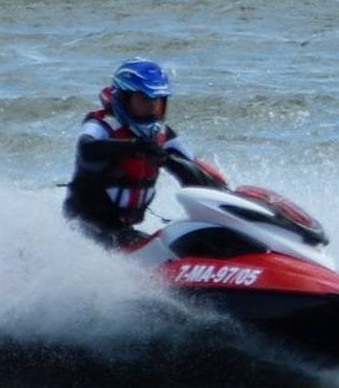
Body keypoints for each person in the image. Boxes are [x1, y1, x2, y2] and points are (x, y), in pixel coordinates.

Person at [63, 58, 229, 248]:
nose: (151, 107)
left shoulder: (162, 135)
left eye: (157, 101)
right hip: (85, 225)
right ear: (124, 100)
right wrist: (135, 146)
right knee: (150, 250)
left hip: (123, 229)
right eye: (144, 100)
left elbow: (194, 171)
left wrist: (167, 159)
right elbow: (86, 148)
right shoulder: (101, 125)